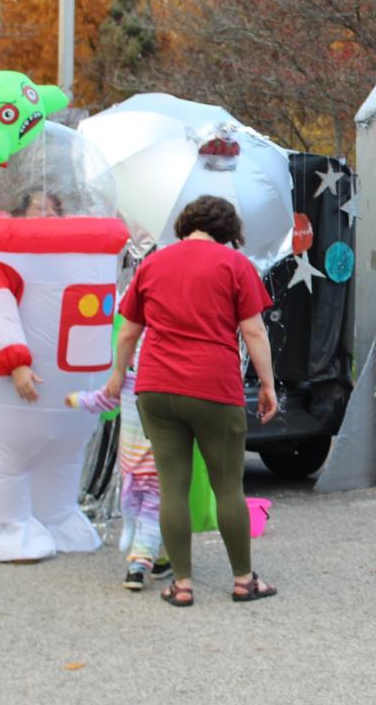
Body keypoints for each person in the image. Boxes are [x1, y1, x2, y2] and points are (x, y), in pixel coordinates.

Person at [108, 195, 279, 607]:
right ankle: (243, 581)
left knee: (172, 488)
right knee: (228, 488)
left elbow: (128, 331)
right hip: (213, 387)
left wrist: (117, 375)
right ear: (228, 231)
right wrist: (268, 385)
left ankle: (181, 585)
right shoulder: (235, 265)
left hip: (156, 388)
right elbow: (254, 332)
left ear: (186, 224)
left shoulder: (152, 263)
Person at [67, 344, 172, 591]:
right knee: (149, 512)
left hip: (145, 466)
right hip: (147, 465)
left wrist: (78, 400)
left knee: (148, 511)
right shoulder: (161, 385)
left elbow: (103, 399)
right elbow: (105, 398)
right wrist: (79, 399)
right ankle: (161, 556)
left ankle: (138, 564)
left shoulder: (128, 380)